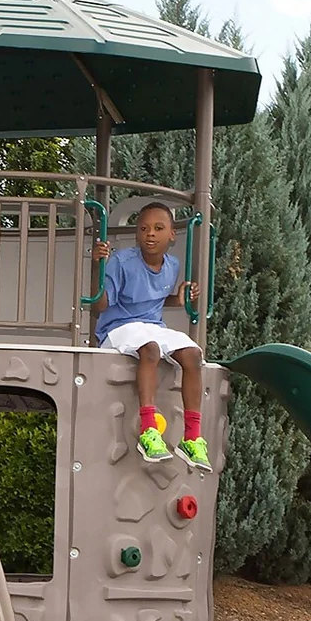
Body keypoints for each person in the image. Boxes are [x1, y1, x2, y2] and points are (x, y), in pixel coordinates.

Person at [94, 201, 212, 470]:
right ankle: (149, 429)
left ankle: (192, 437)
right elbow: (99, 306)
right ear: (137, 233)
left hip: (152, 325)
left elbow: (150, 298)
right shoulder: (121, 262)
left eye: (158, 228)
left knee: (193, 354)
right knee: (150, 349)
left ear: (172, 235)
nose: (150, 234)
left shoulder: (172, 265)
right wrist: (98, 269)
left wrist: (177, 299)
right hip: (118, 327)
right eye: (144, 228)